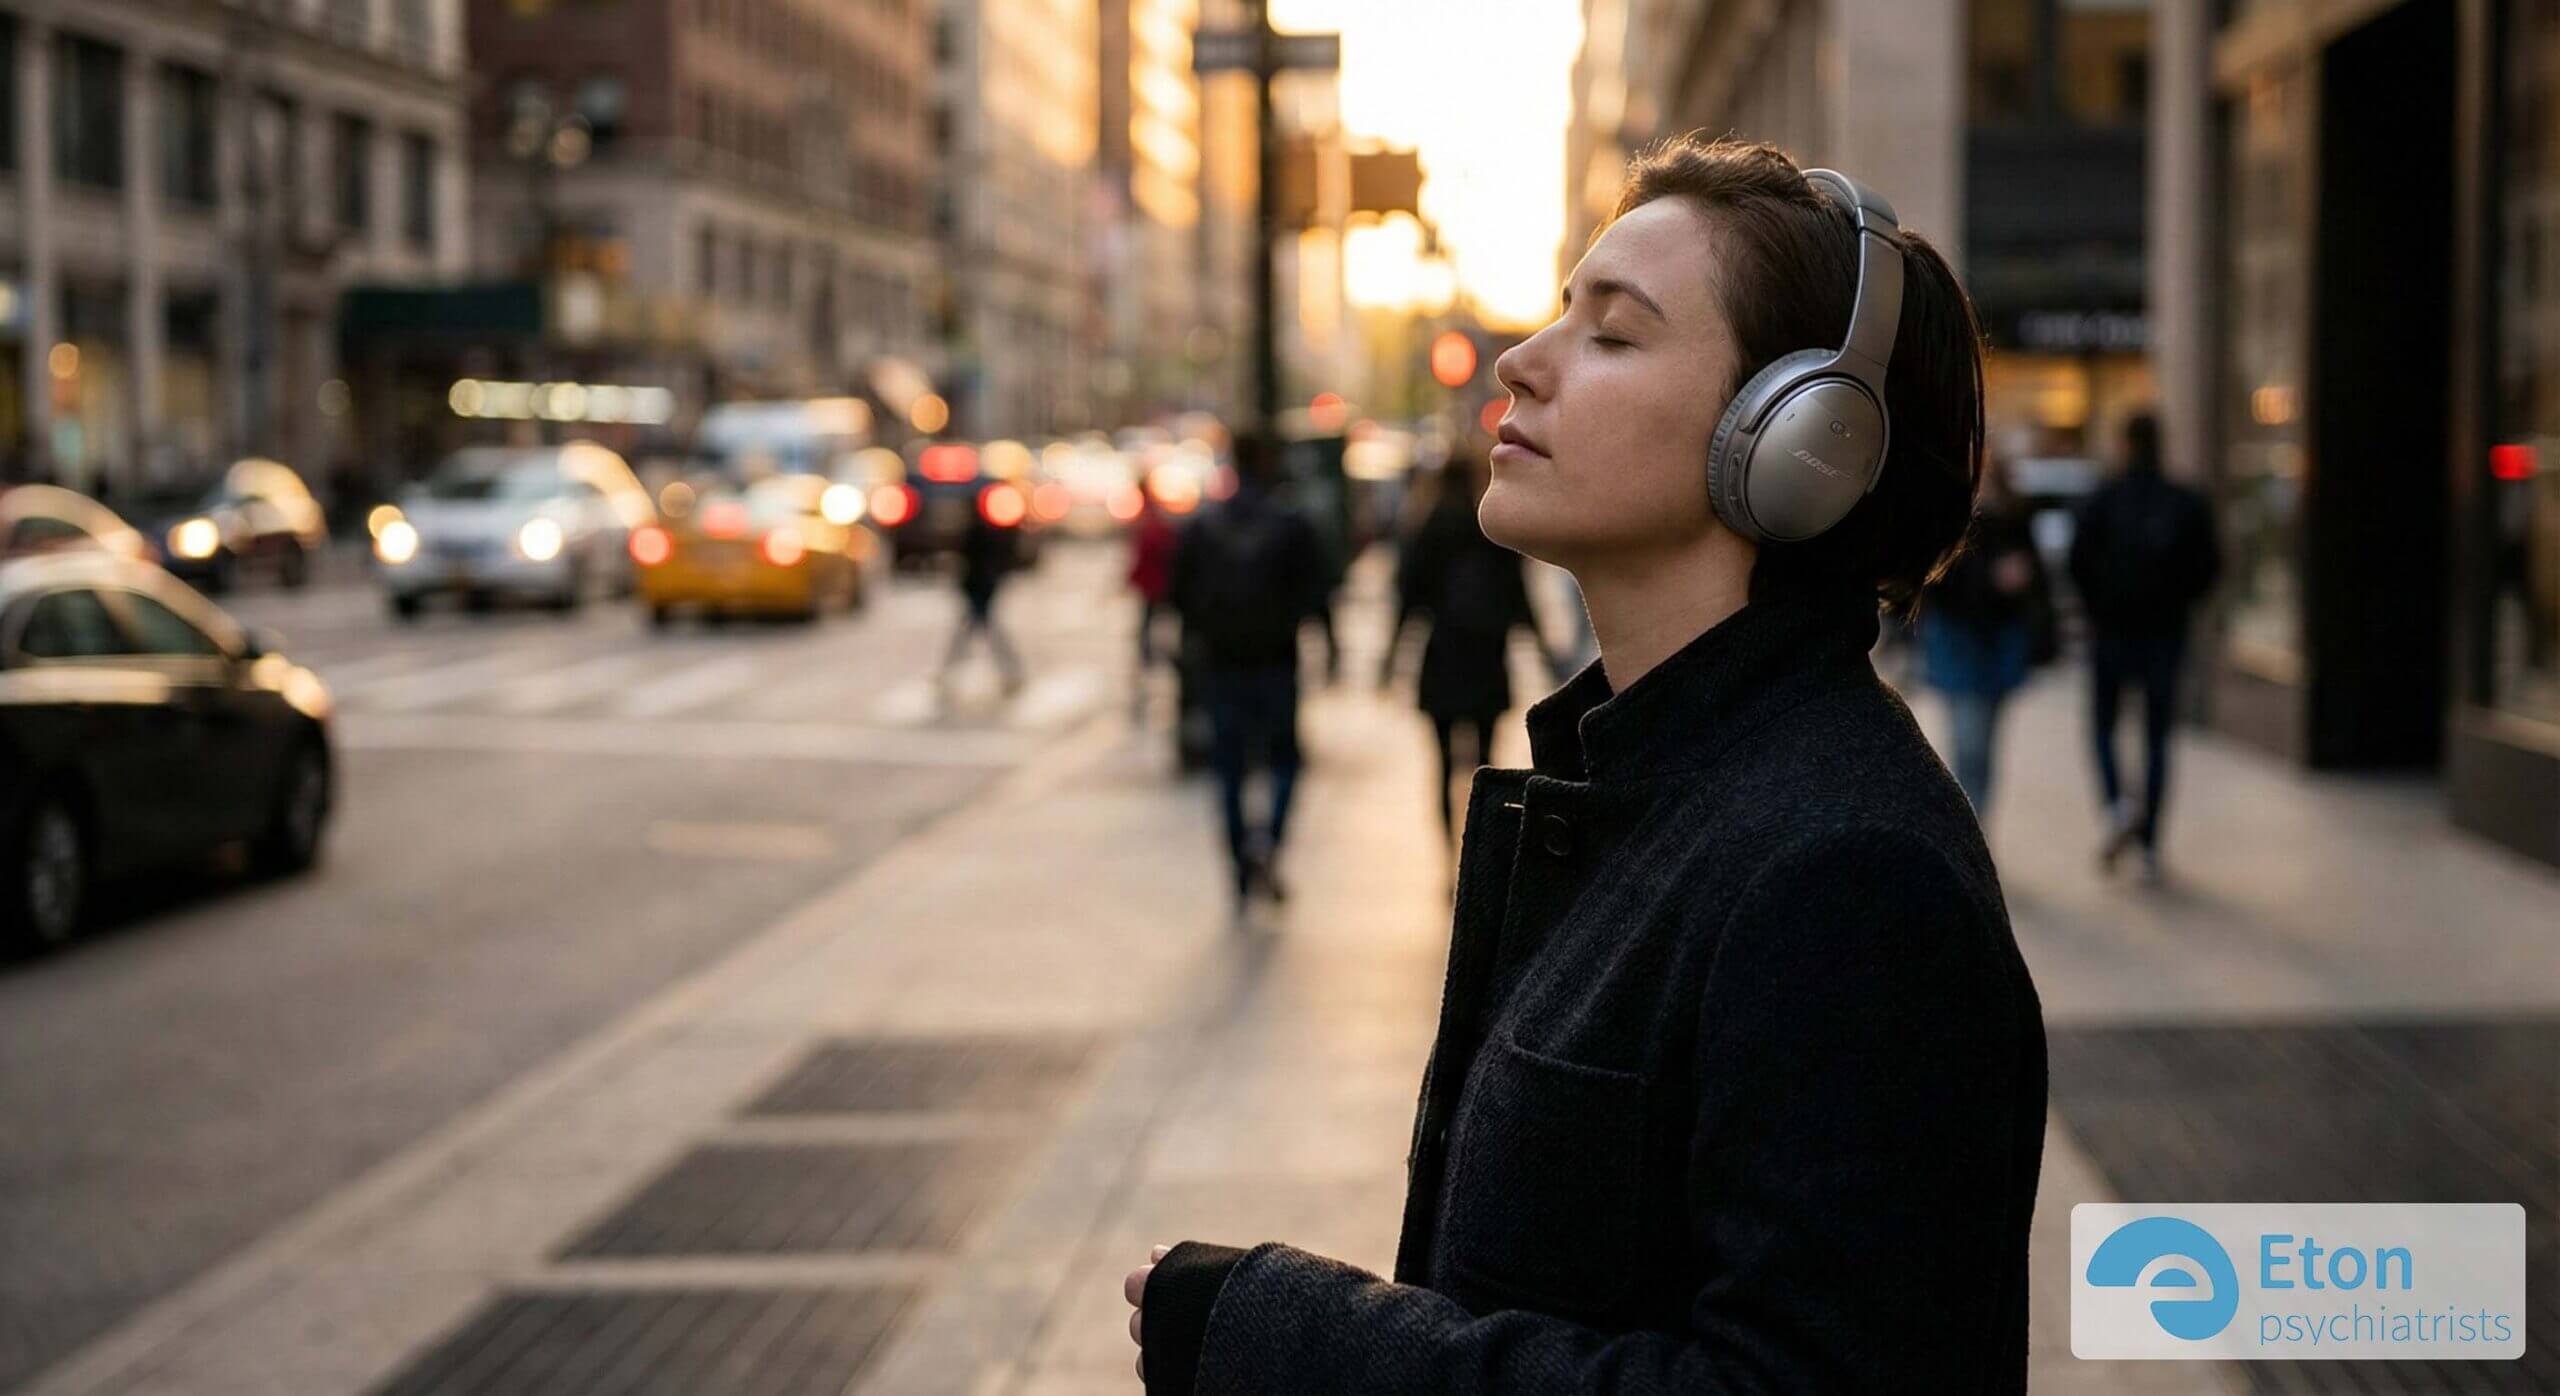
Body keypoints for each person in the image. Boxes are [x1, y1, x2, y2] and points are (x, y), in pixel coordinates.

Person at [1126, 136, 2046, 1393]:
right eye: (1564, 312)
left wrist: (1291, 1338)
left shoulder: (1846, 877)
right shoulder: (1656, 781)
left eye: (1612, 334)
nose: (1522, 361)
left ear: (1795, 439)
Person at [1169, 435, 1328, 911]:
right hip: (1276, 661)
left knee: (1229, 769)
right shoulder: (1292, 523)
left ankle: (1241, 862)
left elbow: (1179, 595)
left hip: (1221, 665)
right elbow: (1315, 594)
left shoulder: (1203, 525)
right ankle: (1269, 843)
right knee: (1283, 761)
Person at [2067, 411, 2220, 882]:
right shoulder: (2184, 502)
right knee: (2156, 736)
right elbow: (2209, 567)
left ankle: (2117, 806)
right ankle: (2149, 841)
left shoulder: (2104, 500)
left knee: (2103, 728)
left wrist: (2098, 606)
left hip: (2113, 632)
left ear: (2125, 444)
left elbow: (2077, 564)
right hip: (2164, 633)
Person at [1380, 452, 1555, 839]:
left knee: (1442, 763)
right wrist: (1540, 648)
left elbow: (1409, 599)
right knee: (1485, 761)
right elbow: (1518, 595)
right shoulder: (1492, 530)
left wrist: (1391, 656)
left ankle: (1447, 849)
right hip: (1486, 655)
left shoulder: (1427, 528)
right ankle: (1481, 841)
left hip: (1442, 656)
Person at [1919, 458, 2055, 819]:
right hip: (1961, 643)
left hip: (1998, 643)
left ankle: (1977, 825)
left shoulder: (2015, 518)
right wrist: (1992, 580)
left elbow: (2038, 579)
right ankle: (1968, 824)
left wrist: (2020, 581)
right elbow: (1937, 584)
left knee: (1984, 744)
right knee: (1969, 743)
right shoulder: (1951, 519)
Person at [937, 504, 1026, 697]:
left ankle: (1011, 670)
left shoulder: (982, 533)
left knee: (979, 633)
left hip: (980, 588)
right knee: (980, 632)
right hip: (981, 587)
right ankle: (1011, 670)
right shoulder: (989, 532)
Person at [1126, 489, 1180, 716]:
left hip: (1154, 587)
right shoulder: (1155, 520)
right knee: (1153, 629)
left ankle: (1157, 658)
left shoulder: (1150, 523)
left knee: (1152, 630)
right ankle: (1155, 658)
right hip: (1156, 586)